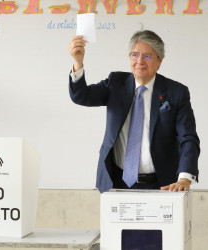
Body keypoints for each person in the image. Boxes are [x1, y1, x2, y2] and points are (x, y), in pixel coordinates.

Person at [68, 30, 200, 193]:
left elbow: (188, 138)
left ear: (160, 60)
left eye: (147, 56)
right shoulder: (116, 83)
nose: (140, 61)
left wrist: (185, 177)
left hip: (162, 184)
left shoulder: (176, 92)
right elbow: (81, 96)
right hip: (116, 181)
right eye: (135, 55)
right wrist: (78, 62)